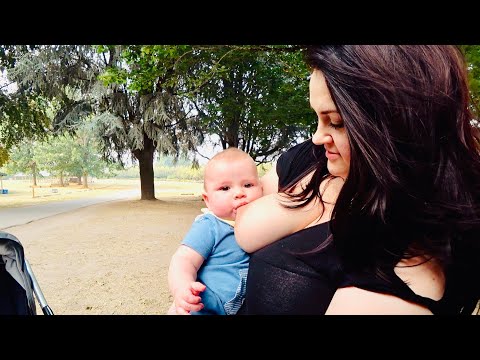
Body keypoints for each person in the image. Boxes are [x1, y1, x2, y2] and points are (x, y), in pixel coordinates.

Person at [234, 45, 480, 315]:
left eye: (336, 122)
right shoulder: (318, 158)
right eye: (317, 117)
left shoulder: (402, 263)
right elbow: (249, 213)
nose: (317, 137)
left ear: (397, 125)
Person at [167, 147, 263, 315]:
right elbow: (184, 259)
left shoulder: (265, 224)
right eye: (225, 188)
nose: (239, 193)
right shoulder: (210, 226)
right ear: (207, 200)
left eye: (248, 185)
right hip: (205, 306)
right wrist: (182, 288)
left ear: (261, 188)